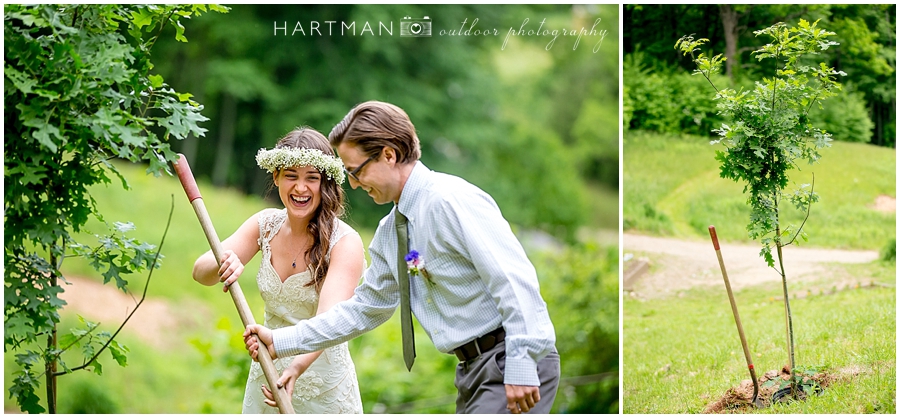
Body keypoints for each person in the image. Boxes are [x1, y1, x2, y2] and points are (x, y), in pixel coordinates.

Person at [245, 101, 560, 414]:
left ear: (388, 155)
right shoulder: (390, 232)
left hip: (512, 358)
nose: (352, 184)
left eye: (356, 171)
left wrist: (521, 361)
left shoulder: (449, 201)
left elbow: (512, 279)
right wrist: (281, 340)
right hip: (472, 369)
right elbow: (363, 309)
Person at [192, 127, 366, 413]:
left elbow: (329, 324)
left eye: (312, 178)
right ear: (275, 177)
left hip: (322, 385)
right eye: (291, 176)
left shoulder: (345, 243)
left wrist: (296, 368)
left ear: (326, 182)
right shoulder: (265, 224)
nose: (300, 188)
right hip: (267, 376)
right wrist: (224, 262)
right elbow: (200, 272)